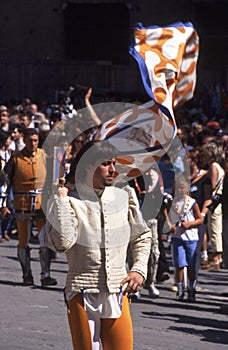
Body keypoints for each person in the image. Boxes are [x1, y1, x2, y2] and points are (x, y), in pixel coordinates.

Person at [46, 140, 151, 350]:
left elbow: (142, 236)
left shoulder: (124, 195)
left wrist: (139, 269)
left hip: (117, 288)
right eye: (106, 164)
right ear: (89, 166)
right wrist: (60, 199)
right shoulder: (70, 200)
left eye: (114, 163)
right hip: (82, 289)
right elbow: (62, 243)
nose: (113, 169)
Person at [4, 128, 57, 286]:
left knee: (44, 240)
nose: (33, 143)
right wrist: (3, 203)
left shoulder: (45, 156)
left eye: (35, 140)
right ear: (24, 140)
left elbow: (53, 179)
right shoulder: (15, 159)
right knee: (23, 241)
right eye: (30, 140)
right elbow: (5, 181)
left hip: (41, 205)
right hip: (22, 205)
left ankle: (45, 275)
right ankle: (27, 275)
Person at [165, 176, 203, 302]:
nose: (180, 190)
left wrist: (190, 224)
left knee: (191, 265)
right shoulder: (173, 202)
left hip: (191, 238)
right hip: (177, 238)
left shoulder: (192, 203)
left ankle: (192, 288)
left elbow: (200, 219)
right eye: (178, 188)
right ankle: (180, 288)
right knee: (179, 265)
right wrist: (170, 225)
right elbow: (166, 213)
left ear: (187, 189)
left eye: (182, 188)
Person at [202, 142, 225, 270]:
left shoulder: (213, 167)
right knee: (215, 228)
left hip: (214, 202)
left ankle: (217, 258)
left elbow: (213, 185)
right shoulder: (218, 166)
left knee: (214, 228)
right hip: (218, 202)